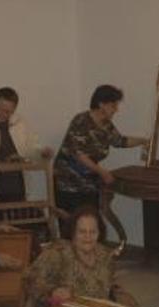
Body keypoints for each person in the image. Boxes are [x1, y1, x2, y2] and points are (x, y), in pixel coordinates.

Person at [54, 84, 148, 218]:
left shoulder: (106, 124)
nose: (116, 110)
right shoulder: (81, 121)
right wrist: (102, 172)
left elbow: (120, 141)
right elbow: (79, 155)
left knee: (91, 220)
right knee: (72, 224)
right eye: (113, 105)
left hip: (89, 183)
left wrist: (144, 141)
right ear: (102, 104)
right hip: (68, 182)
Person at [25, 206, 132, 307]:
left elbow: (109, 286)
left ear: (99, 233)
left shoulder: (105, 256)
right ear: (73, 233)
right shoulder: (57, 253)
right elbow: (29, 278)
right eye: (82, 232)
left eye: (93, 232)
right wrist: (52, 291)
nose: (88, 237)